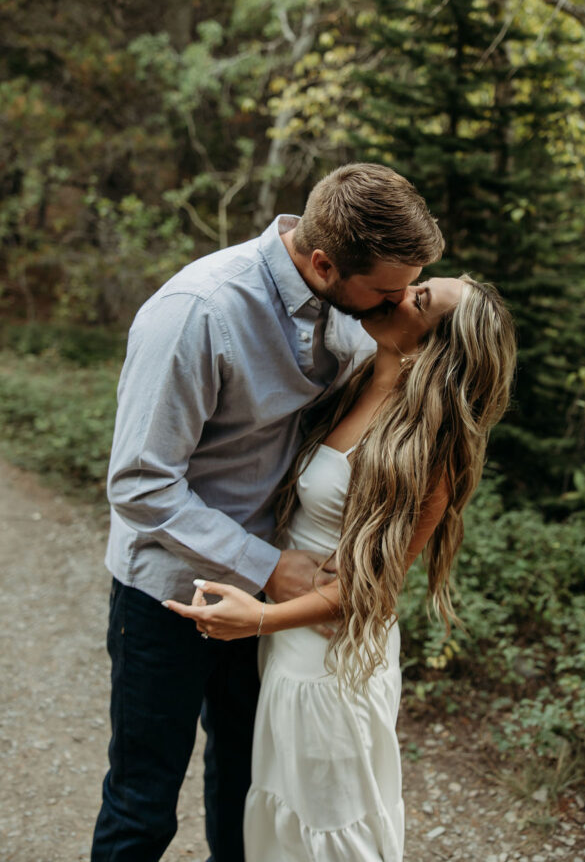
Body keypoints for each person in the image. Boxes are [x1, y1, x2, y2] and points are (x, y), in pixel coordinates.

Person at [91, 162, 445, 862]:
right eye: (385, 290)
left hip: (277, 608)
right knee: (142, 802)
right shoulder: (200, 309)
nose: (397, 304)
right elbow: (139, 481)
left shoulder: (356, 315)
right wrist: (268, 566)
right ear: (322, 262)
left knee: (246, 792)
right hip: (169, 591)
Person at [165, 274, 517, 862]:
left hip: (335, 661)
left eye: (420, 301)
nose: (401, 291)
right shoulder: (352, 377)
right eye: (418, 283)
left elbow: (373, 588)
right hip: (289, 650)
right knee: (283, 818)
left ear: (438, 349)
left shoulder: (427, 446)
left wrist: (259, 619)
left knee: (331, 827)